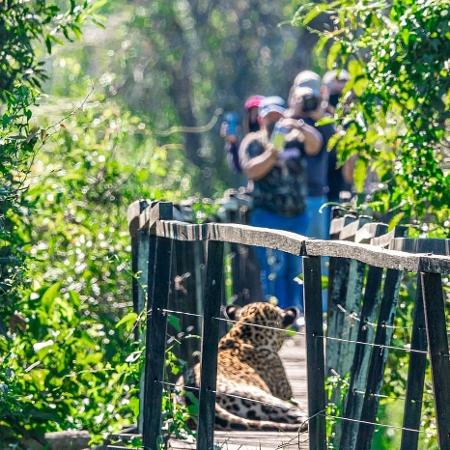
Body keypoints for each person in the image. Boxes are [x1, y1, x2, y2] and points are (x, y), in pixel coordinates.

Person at [239, 96, 322, 311]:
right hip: (267, 215)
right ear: (262, 119)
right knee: (273, 267)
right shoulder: (254, 142)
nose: (275, 121)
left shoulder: (297, 138)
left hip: (297, 215)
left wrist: (298, 124)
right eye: (270, 117)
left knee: (296, 267)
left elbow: (317, 145)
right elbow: (251, 170)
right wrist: (273, 151)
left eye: (279, 116)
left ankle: (295, 313)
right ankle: (276, 312)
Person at [291, 70, 335, 239]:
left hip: (315, 196)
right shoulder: (289, 118)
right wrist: (294, 114)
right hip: (289, 200)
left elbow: (335, 147)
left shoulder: (326, 119)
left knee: (316, 255)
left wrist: (321, 116)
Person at [322, 70, 353, 230]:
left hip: (345, 196)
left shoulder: (355, 123)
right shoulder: (318, 120)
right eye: (334, 93)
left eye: (343, 94)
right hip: (320, 194)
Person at [221, 95, 264, 174]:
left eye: (259, 112)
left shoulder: (277, 135)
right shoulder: (248, 142)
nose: (256, 118)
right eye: (253, 112)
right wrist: (232, 144)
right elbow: (239, 168)